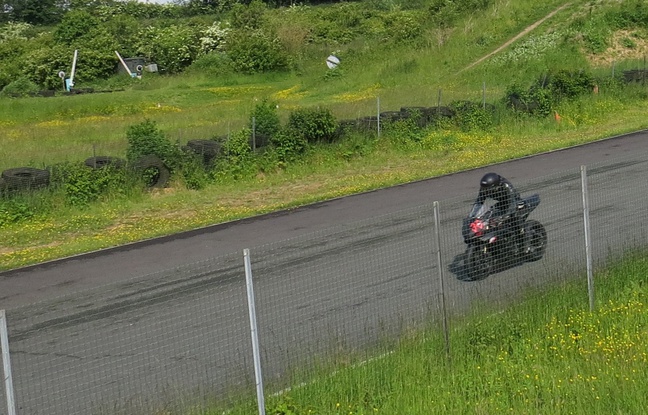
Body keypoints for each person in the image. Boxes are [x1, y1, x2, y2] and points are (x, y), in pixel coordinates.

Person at [475, 172, 525, 253]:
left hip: (514, 201)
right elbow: (479, 202)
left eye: (487, 189)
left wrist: (504, 216)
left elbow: (512, 204)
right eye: (484, 189)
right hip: (502, 202)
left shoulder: (506, 186)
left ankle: (522, 240)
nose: (485, 191)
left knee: (514, 217)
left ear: (495, 186)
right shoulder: (485, 188)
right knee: (488, 215)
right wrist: (474, 216)